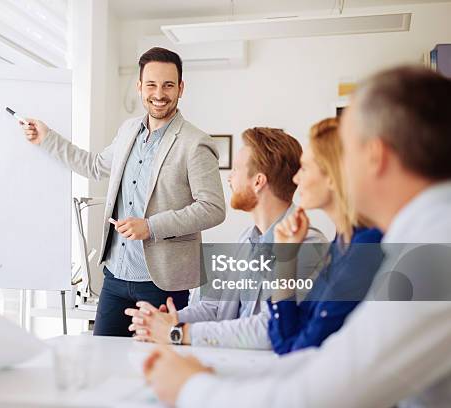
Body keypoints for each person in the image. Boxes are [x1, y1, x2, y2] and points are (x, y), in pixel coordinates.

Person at [143, 66, 451, 407]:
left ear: (374, 156)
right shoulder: (420, 238)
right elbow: (321, 357)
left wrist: (192, 388)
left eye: (343, 153)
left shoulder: (433, 252)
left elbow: (328, 391)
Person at [21, 47, 226, 336]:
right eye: (151, 84)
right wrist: (47, 139)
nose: (159, 93)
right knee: (103, 361)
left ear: (181, 88)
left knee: (155, 371)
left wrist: (151, 227)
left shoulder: (195, 143)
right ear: (140, 87)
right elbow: (94, 166)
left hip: (163, 283)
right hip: (115, 276)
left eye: (168, 85)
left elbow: (213, 208)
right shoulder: (128, 130)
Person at [125, 127, 327, 348]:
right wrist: (169, 321)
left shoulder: (310, 247)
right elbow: (212, 307)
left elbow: (269, 329)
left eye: (236, 170)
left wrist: (177, 333)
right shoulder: (243, 241)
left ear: (258, 182)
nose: (229, 178)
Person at [268, 117, 383, 355]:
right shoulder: (340, 245)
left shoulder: (366, 247)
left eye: (305, 168)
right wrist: (286, 259)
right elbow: (289, 337)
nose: (295, 178)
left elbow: (300, 349)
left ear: (332, 175)